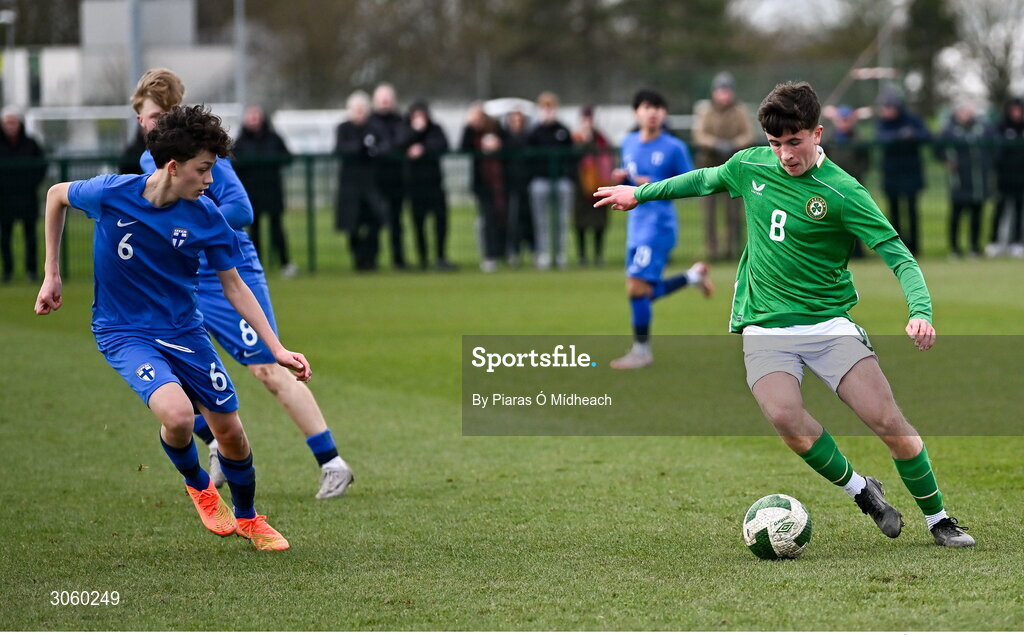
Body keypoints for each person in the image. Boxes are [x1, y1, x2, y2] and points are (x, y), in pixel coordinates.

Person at [594, 81, 974, 548]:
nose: (785, 154)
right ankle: (863, 492)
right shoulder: (751, 165)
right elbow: (704, 179)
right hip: (765, 324)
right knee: (784, 417)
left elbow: (897, 253)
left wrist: (920, 311)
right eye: (776, 144)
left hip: (829, 324)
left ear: (817, 134)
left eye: (794, 142)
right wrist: (642, 193)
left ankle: (939, 519)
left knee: (887, 422)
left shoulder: (843, 192)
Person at [35, 105, 304, 550]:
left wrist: (275, 347)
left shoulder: (207, 218)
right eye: (203, 169)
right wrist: (52, 273)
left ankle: (249, 518)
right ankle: (199, 483)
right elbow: (56, 195)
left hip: (184, 331)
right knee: (178, 416)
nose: (210, 181)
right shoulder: (110, 192)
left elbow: (235, 287)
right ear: (173, 167)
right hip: (123, 331)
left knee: (231, 433)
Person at [133, 69, 353, 499]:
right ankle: (216, 443)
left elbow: (240, 209)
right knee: (167, 370)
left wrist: (197, 228)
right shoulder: (147, 164)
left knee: (269, 368)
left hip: (228, 275)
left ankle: (333, 463)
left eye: (159, 115)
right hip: (186, 277)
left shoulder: (205, 159)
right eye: (146, 117)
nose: (151, 124)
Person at [607, 89, 712, 370]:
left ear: (664, 114)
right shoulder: (629, 142)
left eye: (658, 107)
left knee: (635, 288)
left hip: (658, 227)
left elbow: (692, 184)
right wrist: (624, 178)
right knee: (643, 290)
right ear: (636, 112)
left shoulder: (674, 147)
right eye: (647, 106)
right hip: (636, 225)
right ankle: (692, 277)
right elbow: (630, 177)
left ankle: (641, 352)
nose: (653, 112)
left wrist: (651, 183)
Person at [692, 72, 756, 260]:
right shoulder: (706, 111)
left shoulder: (740, 111)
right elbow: (699, 134)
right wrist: (715, 144)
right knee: (709, 214)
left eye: (727, 91)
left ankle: (733, 250)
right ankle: (713, 251)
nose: (724, 95)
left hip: (733, 169)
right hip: (709, 167)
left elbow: (749, 134)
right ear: (714, 92)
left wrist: (734, 144)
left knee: (734, 214)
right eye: (721, 90)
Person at [233, 105, 298, 276]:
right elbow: (234, 164)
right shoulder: (240, 141)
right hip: (251, 192)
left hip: (272, 189)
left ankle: (285, 263)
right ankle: (256, 263)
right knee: (254, 228)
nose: (254, 119)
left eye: (257, 116)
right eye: (251, 116)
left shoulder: (274, 138)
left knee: (277, 226)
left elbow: (287, 157)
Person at [335, 90, 388, 272]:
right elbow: (341, 148)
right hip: (350, 186)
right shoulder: (343, 129)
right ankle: (358, 259)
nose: (359, 114)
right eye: (356, 110)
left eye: (362, 110)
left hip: (372, 185)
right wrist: (361, 147)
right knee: (352, 225)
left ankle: (371, 259)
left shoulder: (375, 128)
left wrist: (373, 149)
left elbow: (384, 146)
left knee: (375, 222)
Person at [397, 100, 453, 271]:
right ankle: (423, 259)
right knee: (418, 223)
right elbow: (399, 143)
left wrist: (423, 148)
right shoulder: (405, 129)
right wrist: (415, 131)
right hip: (414, 186)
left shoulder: (435, 129)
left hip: (435, 184)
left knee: (441, 221)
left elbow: (443, 144)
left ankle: (441, 257)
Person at [876, 91, 930, 255]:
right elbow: (880, 138)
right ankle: (896, 248)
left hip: (911, 172)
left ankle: (914, 248)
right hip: (891, 173)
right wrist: (899, 136)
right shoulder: (883, 123)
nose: (885, 110)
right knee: (894, 211)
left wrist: (912, 135)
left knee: (912, 210)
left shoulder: (912, 119)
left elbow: (927, 135)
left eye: (888, 107)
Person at [938, 100, 993, 258]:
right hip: (959, 181)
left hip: (978, 182)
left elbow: (994, 147)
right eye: (962, 111)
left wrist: (987, 163)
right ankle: (954, 248)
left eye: (969, 111)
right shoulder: (949, 130)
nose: (966, 114)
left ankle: (974, 247)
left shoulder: (982, 128)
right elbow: (938, 149)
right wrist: (947, 160)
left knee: (977, 215)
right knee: (956, 215)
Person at [528, 91, 576, 270]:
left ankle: (560, 253)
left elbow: (572, 156)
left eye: (551, 107)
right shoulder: (534, 132)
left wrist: (567, 175)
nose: (548, 111)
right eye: (544, 107)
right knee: (541, 222)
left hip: (562, 181)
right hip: (541, 181)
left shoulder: (563, 130)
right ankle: (544, 254)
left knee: (562, 220)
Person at [0, 106, 47, 284]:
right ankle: (7, 272)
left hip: (27, 197)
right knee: (5, 237)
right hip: (4, 199)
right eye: (7, 122)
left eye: (14, 122)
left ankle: (32, 271)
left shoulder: (31, 143)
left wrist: (31, 183)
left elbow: (41, 165)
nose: (11, 126)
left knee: (31, 237)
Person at [460, 102, 506, 273]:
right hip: (483, 184)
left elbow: (509, 143)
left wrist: (498, 145)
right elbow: (463, 148)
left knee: (503, 217)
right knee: (487, 219)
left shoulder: (496, 128)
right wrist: (469, 128)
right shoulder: (470, 132)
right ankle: (489, 255)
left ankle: (504, 252)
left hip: (500, 183)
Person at [370, 83, 408, 270]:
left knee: (396, 221)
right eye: (381, 99)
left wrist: (382, 149)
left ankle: (398, 259)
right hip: (374, 179)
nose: (385, 103)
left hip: (396, 179)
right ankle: (371, 259)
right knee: (374, 220)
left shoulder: (400, 121)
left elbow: (401, 141)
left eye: (388, 99)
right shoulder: (370, 122)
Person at [571, 105, 613, 266]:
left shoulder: (601, 139)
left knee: (599, 222)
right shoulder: (576, 138)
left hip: (598, 184)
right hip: (580, 186)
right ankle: (582, 256)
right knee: (580, 222)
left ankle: (598, 255)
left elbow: (606, 157)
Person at [989, 97, 1024, 257]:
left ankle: (1016, 243)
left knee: (1018, 209)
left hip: (1021, 178)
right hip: (1004, 177)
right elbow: (996, 153)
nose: (1016, 113)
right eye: (1014, 110)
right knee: (1000, 207)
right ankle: (994, 242)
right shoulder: (1001, 128)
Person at [502, 108, 535, 267]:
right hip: (510, 185)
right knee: (512, 220)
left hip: (527, 183)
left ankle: (533, 250)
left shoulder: (529, 138)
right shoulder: (505, 139)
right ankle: (513, 251)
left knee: (528, 219)